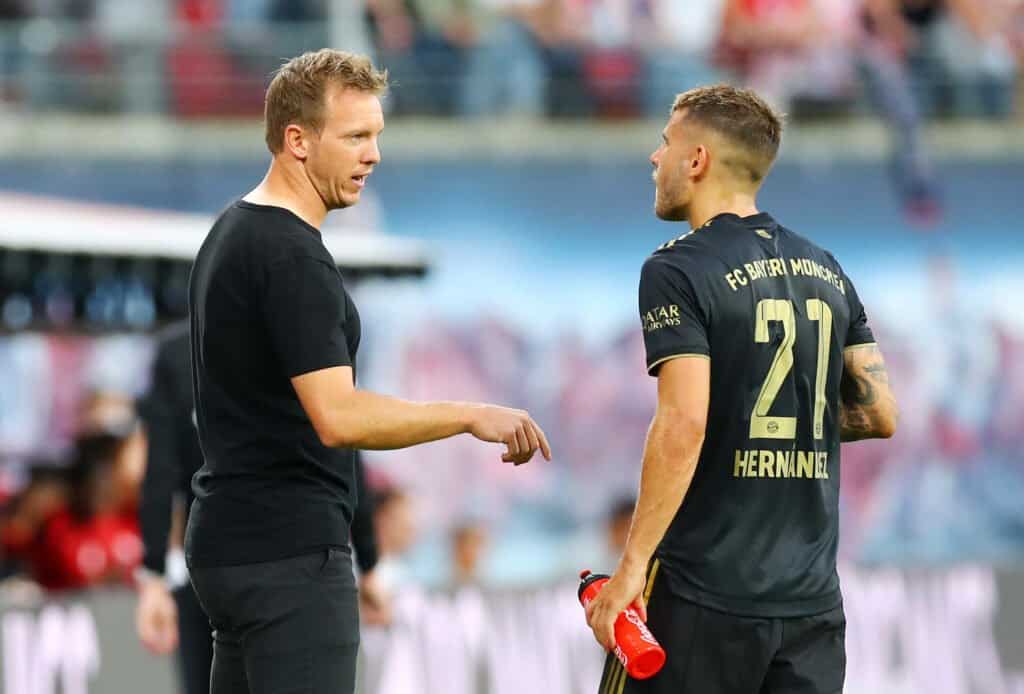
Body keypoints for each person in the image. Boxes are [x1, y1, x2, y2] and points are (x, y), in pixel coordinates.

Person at [185, 48, 551, 694]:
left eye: (376, 136)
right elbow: (339, 417)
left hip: (231, 546)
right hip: (288, 560)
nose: (373, 155)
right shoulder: (293, 258)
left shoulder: (230, 233)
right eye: (356, 136)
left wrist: (370, 556)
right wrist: (470, 415)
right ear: (296, 141)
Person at [585, 85, 899, 694]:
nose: (655, 158)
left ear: (697, 160)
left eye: (665, 142)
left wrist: (630, 569)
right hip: (810, 608)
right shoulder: (826, 267)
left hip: (705, 598)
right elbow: (879, 412)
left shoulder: (677, 269)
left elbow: (683, 423)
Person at [134, 323, 388, 693]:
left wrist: (153, 576)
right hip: (297, 567)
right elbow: (347, 451)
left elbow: (159, 472)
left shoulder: (178, 352)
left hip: (214, 568)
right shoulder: (305, 336)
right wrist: (368, 562)